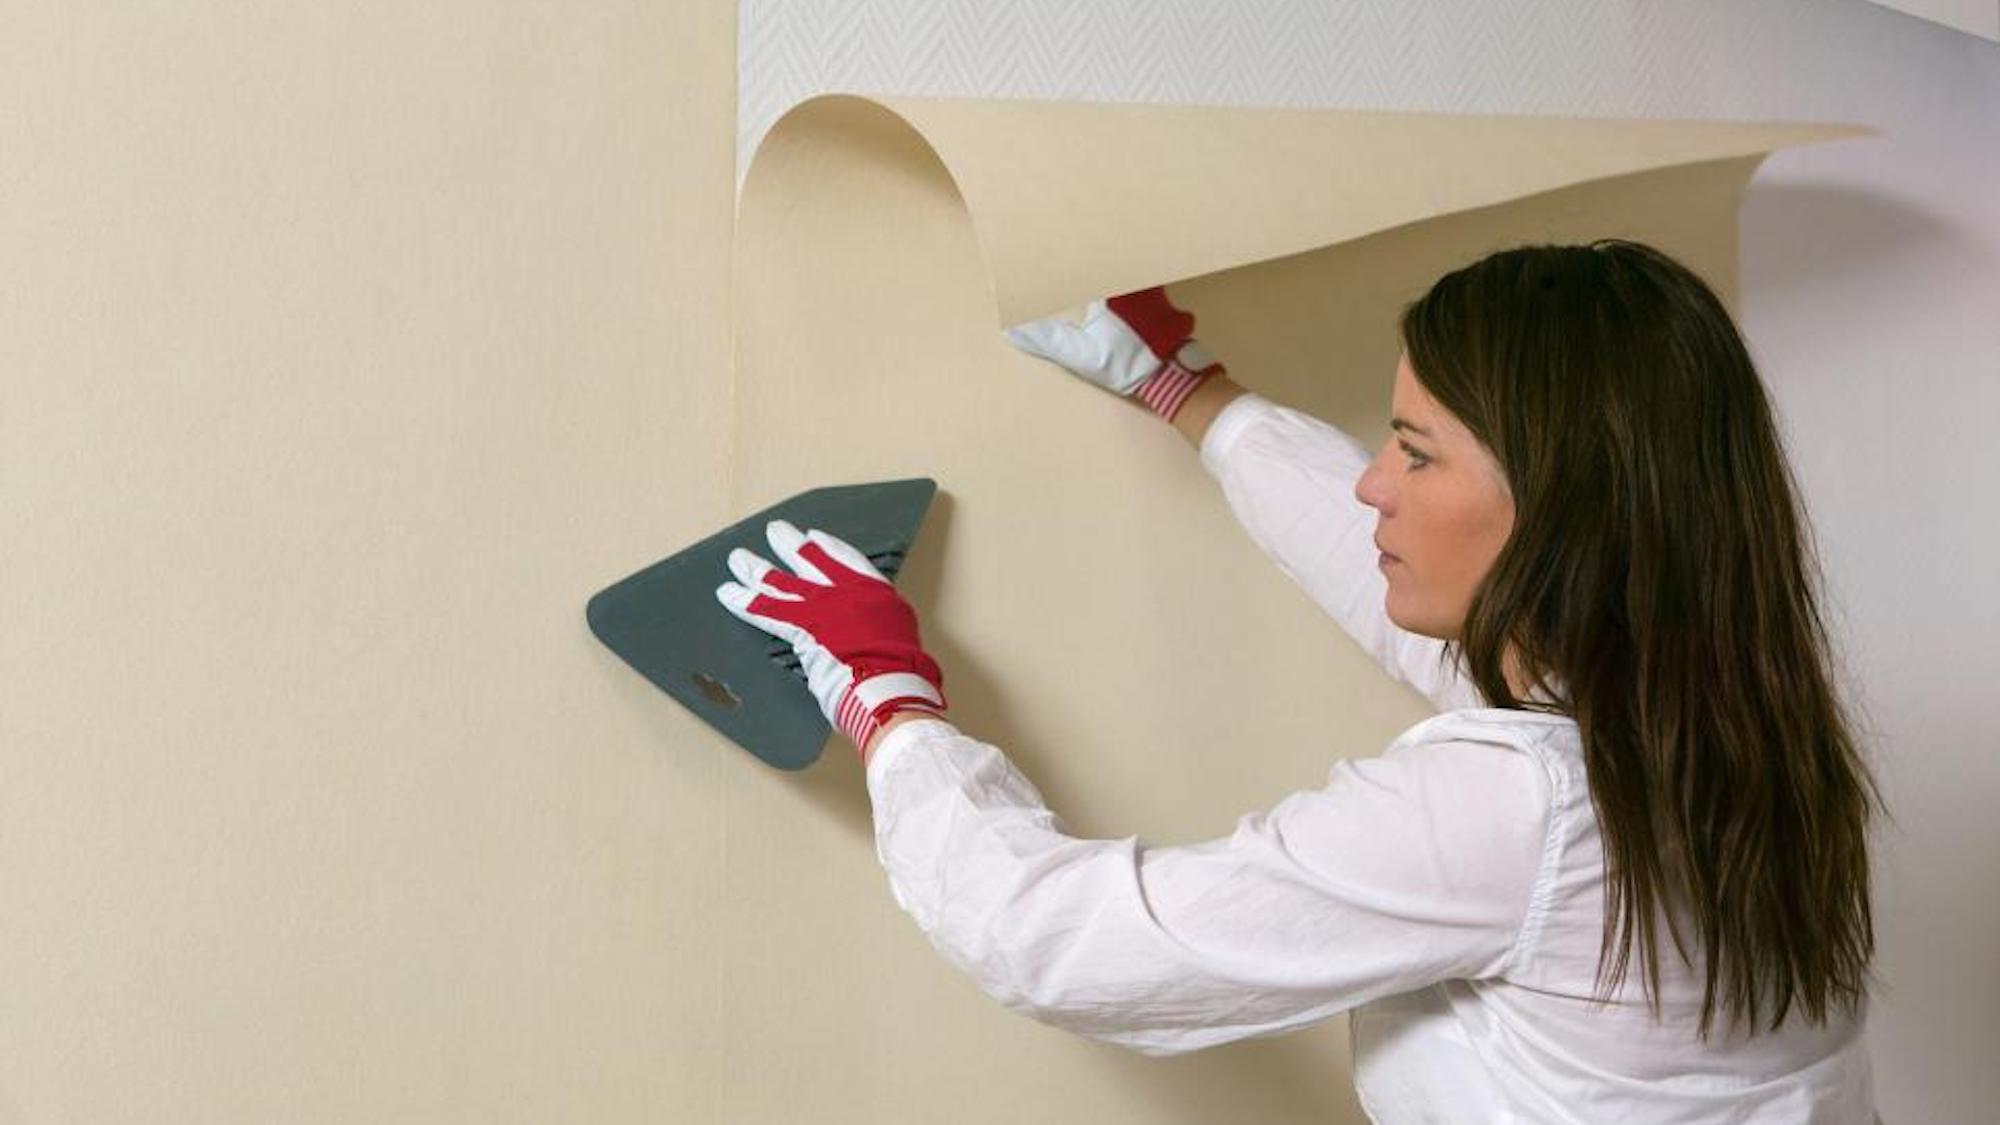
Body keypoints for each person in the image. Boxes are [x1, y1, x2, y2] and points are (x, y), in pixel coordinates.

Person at [714, 239, 1886, 1122]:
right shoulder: (1732, 711)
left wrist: (885, 701)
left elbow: (1066, 944)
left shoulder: (1514, 811)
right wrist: (1185, 393)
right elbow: (1417, 613)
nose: (1375, 486)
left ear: (1559, 514)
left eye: (1414, 452)